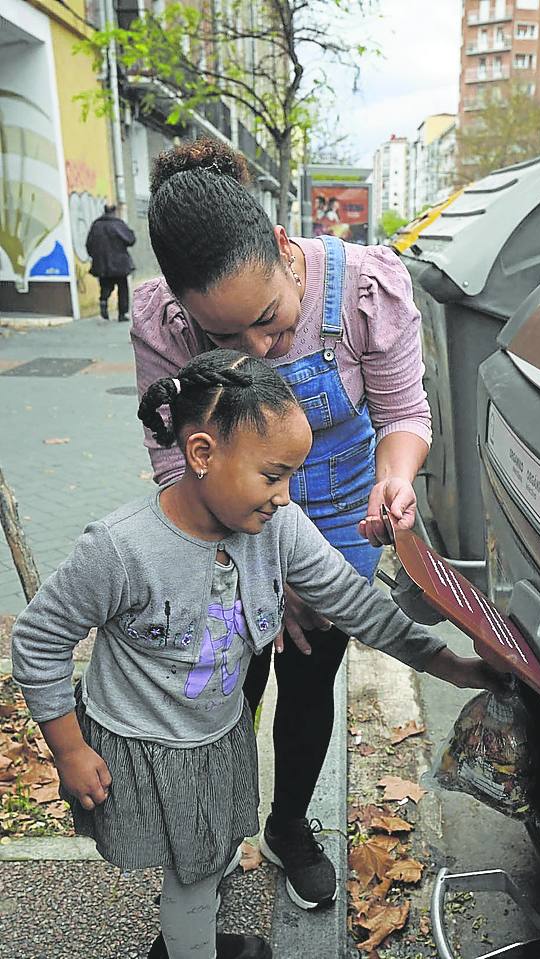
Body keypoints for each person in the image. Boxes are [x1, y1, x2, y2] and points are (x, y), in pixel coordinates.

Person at [11, 350, 497, 959]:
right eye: (272, 475)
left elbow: (354, 602)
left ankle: (191, 935)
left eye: (293, 474)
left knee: (205, 861)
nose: (284, 496)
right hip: (143, 747)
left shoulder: (278, 527)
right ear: (202, 454)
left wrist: (448, 665)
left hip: (217, 736)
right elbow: (38, 639)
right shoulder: (119, 550)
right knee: (190, 878)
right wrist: (69, 748)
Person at [131, 138, 432, 908]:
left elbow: (402, 413)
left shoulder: (366, 287)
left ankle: (288, 825)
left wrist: (394, 479)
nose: (255, 351)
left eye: (267, 320)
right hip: (223, 531)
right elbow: (178, 467)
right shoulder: (162, 321)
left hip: (337, 522)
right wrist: (256, 567)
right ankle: (221, 825)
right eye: (222, 340)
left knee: (307, 679)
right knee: (228, 683)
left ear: (279, 245)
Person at [85, 203, 136, 323]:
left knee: (105, 286)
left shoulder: (96, 225)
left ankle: (103, 302)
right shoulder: (118, 224)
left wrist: (96, 257)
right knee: (122, 288)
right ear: (114, 211)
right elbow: (130, 240)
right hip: (120, 264)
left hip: (102, 264)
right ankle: (122, 314)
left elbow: (89, 244)